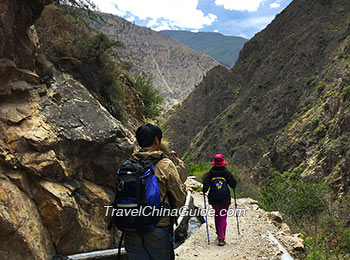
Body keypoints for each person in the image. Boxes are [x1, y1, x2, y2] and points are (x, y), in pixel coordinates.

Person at [124, 123, 186, 260]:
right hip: (157, 226)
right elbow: (179, 198)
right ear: (157, 140)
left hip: (130, 226)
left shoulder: (127, 164)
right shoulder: (165, 165)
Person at [202, 154, 237, 246]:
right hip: (224, 199)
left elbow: (205, 186)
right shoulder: (227, 173)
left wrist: (204, 191)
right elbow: (233, 184)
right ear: (223, 162)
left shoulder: (210, 173)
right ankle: (221, 238)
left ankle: (219, 234)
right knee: (223, 216)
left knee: (217, 215)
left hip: (213, 199)